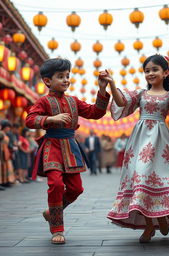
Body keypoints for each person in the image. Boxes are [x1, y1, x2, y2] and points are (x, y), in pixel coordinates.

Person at [99, 54, 169, 243]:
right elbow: (122, 103)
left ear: (166, 72)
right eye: (147, 70)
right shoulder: (141, 94)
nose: (150, 73)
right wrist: (112, 84)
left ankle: (161, 217)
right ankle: (150, 225)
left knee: (158, 179)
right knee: (141, 175)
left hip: (161, 142)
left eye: (154, 69)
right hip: (140, 141)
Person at [25, 58, 110, 244]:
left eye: (67, 76)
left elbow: (96, 112)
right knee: (55, 184)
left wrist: (102, 89)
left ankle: (52, 212)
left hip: (71, 147)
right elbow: (30, 120)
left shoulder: (74, 101)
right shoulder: (43, 101)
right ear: (47, 81)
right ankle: (57, 229)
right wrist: (50, 119)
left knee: (76, 188)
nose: (66, 80)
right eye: (60, 76)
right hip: (52, 146)